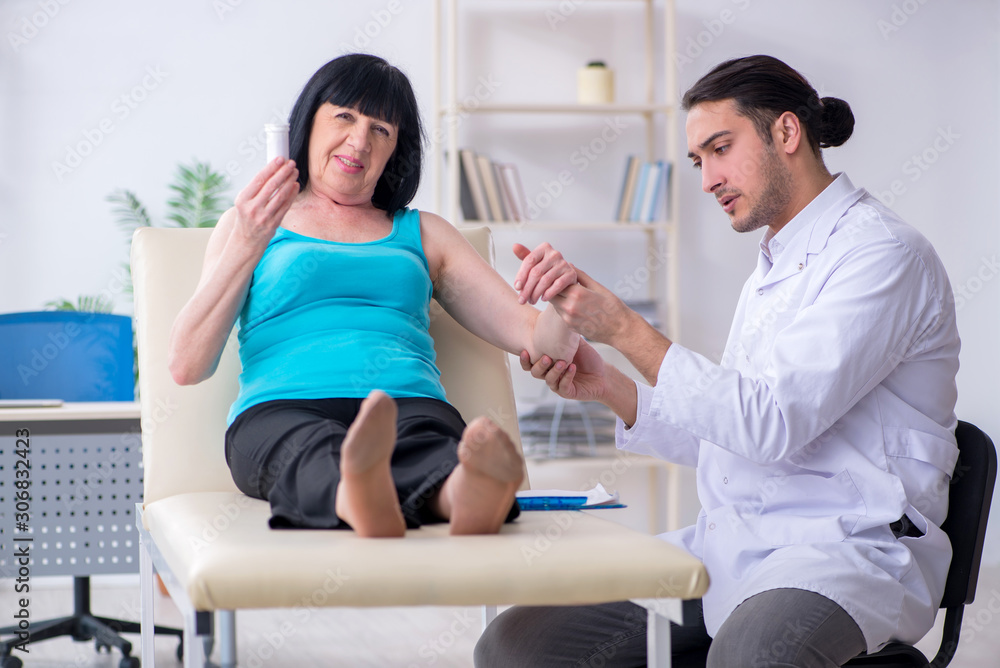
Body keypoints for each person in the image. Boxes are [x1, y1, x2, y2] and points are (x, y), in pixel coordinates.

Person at [476, 55, 961, 667]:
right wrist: (610, 388)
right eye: (698, 160)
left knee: (753, 654)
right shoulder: (774, 265)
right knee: (517, 646)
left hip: (843, 554)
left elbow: (768, 422)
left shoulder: (884, 257)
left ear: (786, 133)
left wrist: (624, 327)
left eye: (720, 148)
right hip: (735, 547)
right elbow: (731, 436)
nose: (706, 179)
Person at [167, 54, 580, 539]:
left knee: (428, 447)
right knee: (311, 449)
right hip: (283, 408)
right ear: (308, 123)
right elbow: (186, 365)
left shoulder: (424, 232)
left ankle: (465, 493)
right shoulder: (251, 223)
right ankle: (358, 492)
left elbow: (538, 338)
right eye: (344, 116)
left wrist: (565, 304)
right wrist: (248, 241)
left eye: (381, 129)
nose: (359, 141)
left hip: (406, 403)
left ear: (394, 152)